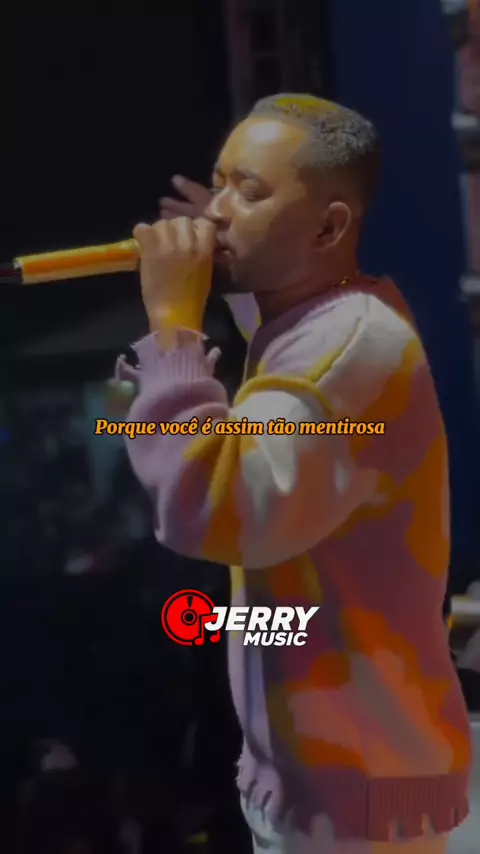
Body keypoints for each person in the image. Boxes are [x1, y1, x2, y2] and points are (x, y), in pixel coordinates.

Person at [115, 94, 472, 853]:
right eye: (219, 184)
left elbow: (215, 508)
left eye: (250, 191)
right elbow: (281, 350)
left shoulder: (347, 348)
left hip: (353, 792)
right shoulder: (323, 322)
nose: (216, 213)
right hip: (328, 775)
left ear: (328, 229)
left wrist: (174, 329)